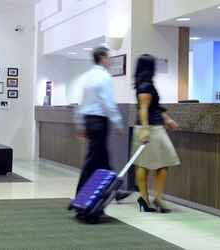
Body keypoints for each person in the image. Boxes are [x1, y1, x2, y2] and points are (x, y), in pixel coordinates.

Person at [73, 47, 130, 201]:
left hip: (89, 120)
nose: (110, 60)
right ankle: (80, 196)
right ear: (103, 58)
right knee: (93, 160)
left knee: (103, 158)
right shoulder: (104, 77)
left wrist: (80, 124)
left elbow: (81, 102)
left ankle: (114, 191)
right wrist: (118, 121)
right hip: (99, 121)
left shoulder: (87, 76)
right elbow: (107, 101)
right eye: (109, 57)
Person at [132, 54, 181, 213]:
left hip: (149, 127)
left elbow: (155, 106)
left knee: (144, 164)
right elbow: (144, 108)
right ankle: (155, 198)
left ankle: (145, 198)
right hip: (151, 128)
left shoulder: (143, 84)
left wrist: (167, 119)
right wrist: (145, 129)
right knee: (161, 163)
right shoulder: (146, 86)